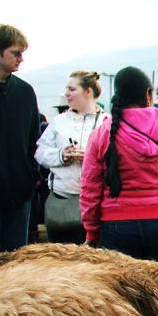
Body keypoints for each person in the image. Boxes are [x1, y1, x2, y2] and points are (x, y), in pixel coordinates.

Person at [80, 66, 158, 261]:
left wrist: (91, 231)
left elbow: (90, 186)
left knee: (121, 290)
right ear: (148, 95)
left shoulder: (101, 134)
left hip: (115, 226)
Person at [0, 24, 41, 271]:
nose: (21, 59)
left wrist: (30, 176)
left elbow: (35, 141)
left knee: (16, 267)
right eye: (16, 52)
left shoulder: (25, 93)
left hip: (19, 197)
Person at [35, 70, 108, 243]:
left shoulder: (106, 122)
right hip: (62, 203)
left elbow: (117, 160)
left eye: (71, 89)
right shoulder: (58, 122)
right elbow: (40, 152)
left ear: (88, 92)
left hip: (97, 204)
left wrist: (92, 158)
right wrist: (61, 155)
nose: (66, 93)